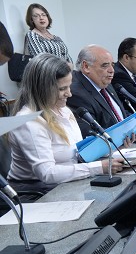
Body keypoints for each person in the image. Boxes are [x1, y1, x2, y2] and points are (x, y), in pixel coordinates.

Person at [7, 54, 124, 193]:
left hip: (66, 184)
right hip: (37, 193)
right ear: (41, 88)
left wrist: (115, 147)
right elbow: (47, 173)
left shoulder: (64, 110)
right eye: (62, 89)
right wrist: (99, 167)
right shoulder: (28, 122)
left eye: (69, 87)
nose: (69, 94)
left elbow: (76, 153)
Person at [66, 45, 132, 138]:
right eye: (105, 66)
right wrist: (126, 132)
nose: (112, 70)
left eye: (112, 65)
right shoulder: (76, 93)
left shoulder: (103, 81)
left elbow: (116, 112)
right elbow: (92, 132)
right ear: (86, 66)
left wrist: (134, 123)